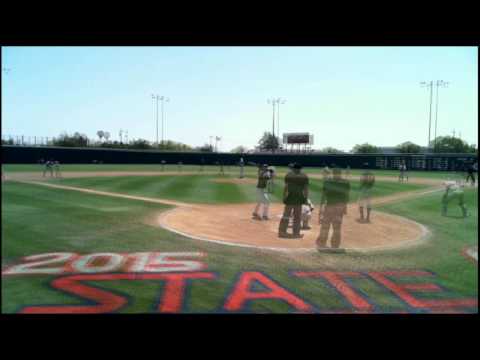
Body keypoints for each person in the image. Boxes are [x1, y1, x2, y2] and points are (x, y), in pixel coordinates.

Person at [316, 167, 351, 250]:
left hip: (329, 206)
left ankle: (322, 243)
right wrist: (345, 207)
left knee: (325, 226)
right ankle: (335, 245)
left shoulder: (328, 182)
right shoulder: (345, 182)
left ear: (333, 173)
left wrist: (321, 209)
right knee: (337, 227)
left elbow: (323, 196)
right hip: (339, 208)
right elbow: (347, 196)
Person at [278, 163, 309, 238]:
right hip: (299, 198)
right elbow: (306, 189)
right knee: (297, 217)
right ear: (300, 169)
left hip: (290, 198)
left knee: (286, 215)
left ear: (294, 168)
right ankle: (296, 233)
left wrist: (284, 197)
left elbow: (286, 188)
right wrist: (305, 199)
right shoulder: (304, 176)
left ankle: (282, 232)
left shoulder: (288, 175)